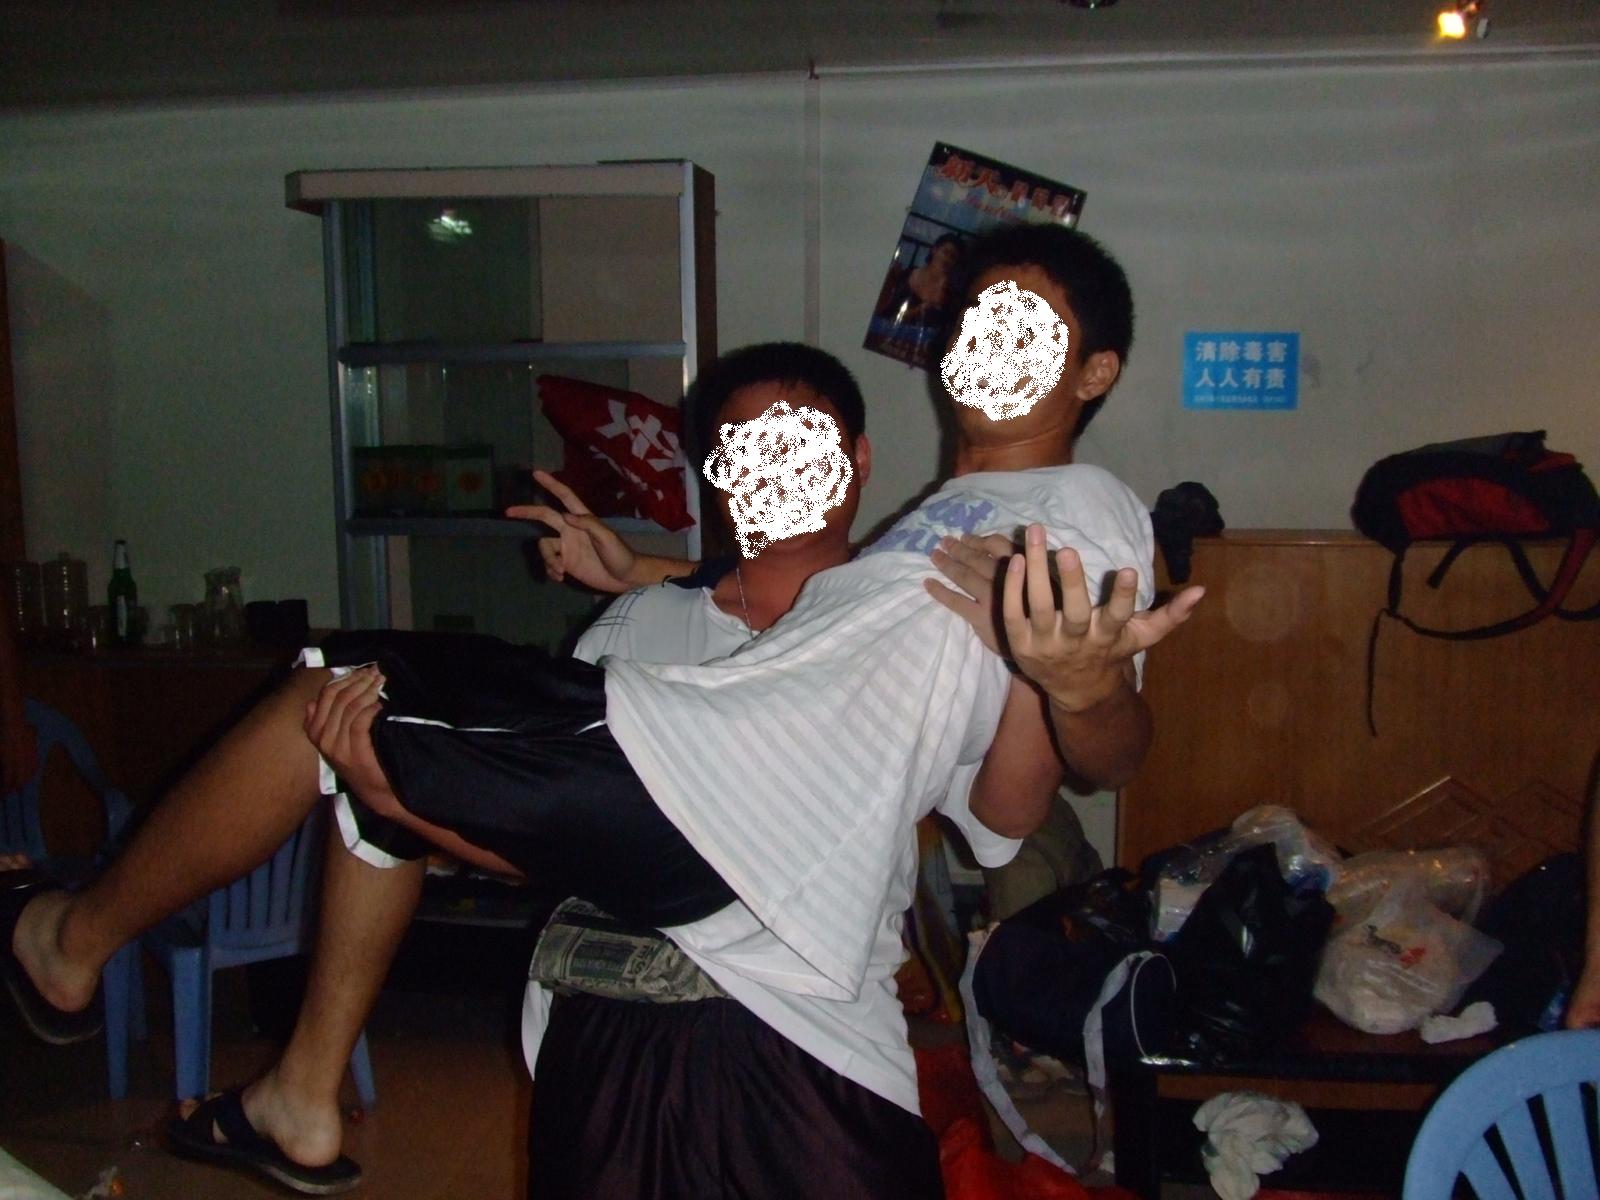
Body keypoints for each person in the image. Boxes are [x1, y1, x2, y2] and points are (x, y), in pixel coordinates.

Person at [3, 224, 1200, 1188]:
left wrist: (1087, 687)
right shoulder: (922, 534)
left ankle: (71, 948)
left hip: (719, 805)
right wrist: (642, 575)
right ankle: (302, 1096)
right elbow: (997, 796)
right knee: (367, 749)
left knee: (331, 686)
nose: (985, 345)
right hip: (713, 828)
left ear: (1093, 372)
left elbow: (1106, 757)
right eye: (975, 320)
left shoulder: (1083, 503)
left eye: (1025, 327)